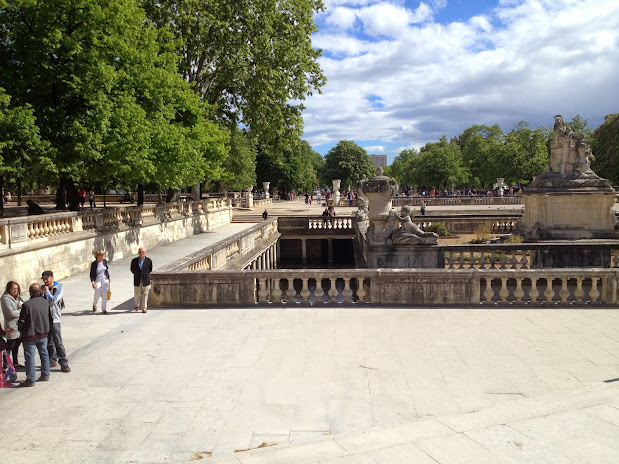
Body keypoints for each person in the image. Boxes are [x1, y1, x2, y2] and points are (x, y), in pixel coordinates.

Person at [17, 283, 50, 386]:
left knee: (30, 357)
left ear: (30, 292)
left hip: (30, 334)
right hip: (43, 332)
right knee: (44, 354)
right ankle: (45, 374)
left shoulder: (26, 305)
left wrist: (20, 330)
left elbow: (22, 321)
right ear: (40, 291)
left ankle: (31, 379)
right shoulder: (46, 302)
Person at [41, 270, 70, 373]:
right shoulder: (42, 288)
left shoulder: (58, 288)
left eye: (46, 278)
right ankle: (52, 359)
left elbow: (53, 300)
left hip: (55, 319)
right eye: (43, 279)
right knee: (49, 341)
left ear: (52, 277)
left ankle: (64, 362)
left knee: (58, 341)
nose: (45, 281)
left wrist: (47, 291)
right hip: (45, 319)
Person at [2, 281, 24, 369]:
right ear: (9, 289)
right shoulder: (5, 299)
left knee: (17, 344)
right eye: (13, 289)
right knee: (10, 345)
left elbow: (22, 305)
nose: (15, 291)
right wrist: (21, 311)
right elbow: (12, 313)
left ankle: (15, 362)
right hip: (11, 326)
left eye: (16, 289)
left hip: (18, 325)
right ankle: (5, 364)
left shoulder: (16, 298)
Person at [130, 247, 153, 313]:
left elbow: (150, 269)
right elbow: (132, 269)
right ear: (138, 253)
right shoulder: (134, 261)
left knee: (145, 294)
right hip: (137, 279)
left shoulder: (148, 260)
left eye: (142, 252)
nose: (141, 253)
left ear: (145, 253)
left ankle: (144, 308)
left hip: (145, 280)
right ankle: (137, 305)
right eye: (140, 252)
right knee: (137, 294)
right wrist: (137, 274)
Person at [90, 249, 111, 314]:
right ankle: (94, 304)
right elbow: (92, 274)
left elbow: (106, 270)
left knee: (105, 293)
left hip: (105, 279)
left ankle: (104, 309)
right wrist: (93, 282)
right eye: (101, 255)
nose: (102, 256)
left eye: (103, 255)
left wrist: (108, 277)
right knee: (98, 292)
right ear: (97, 256)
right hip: (98, 279)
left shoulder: (104, 261)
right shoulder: (94, 264)